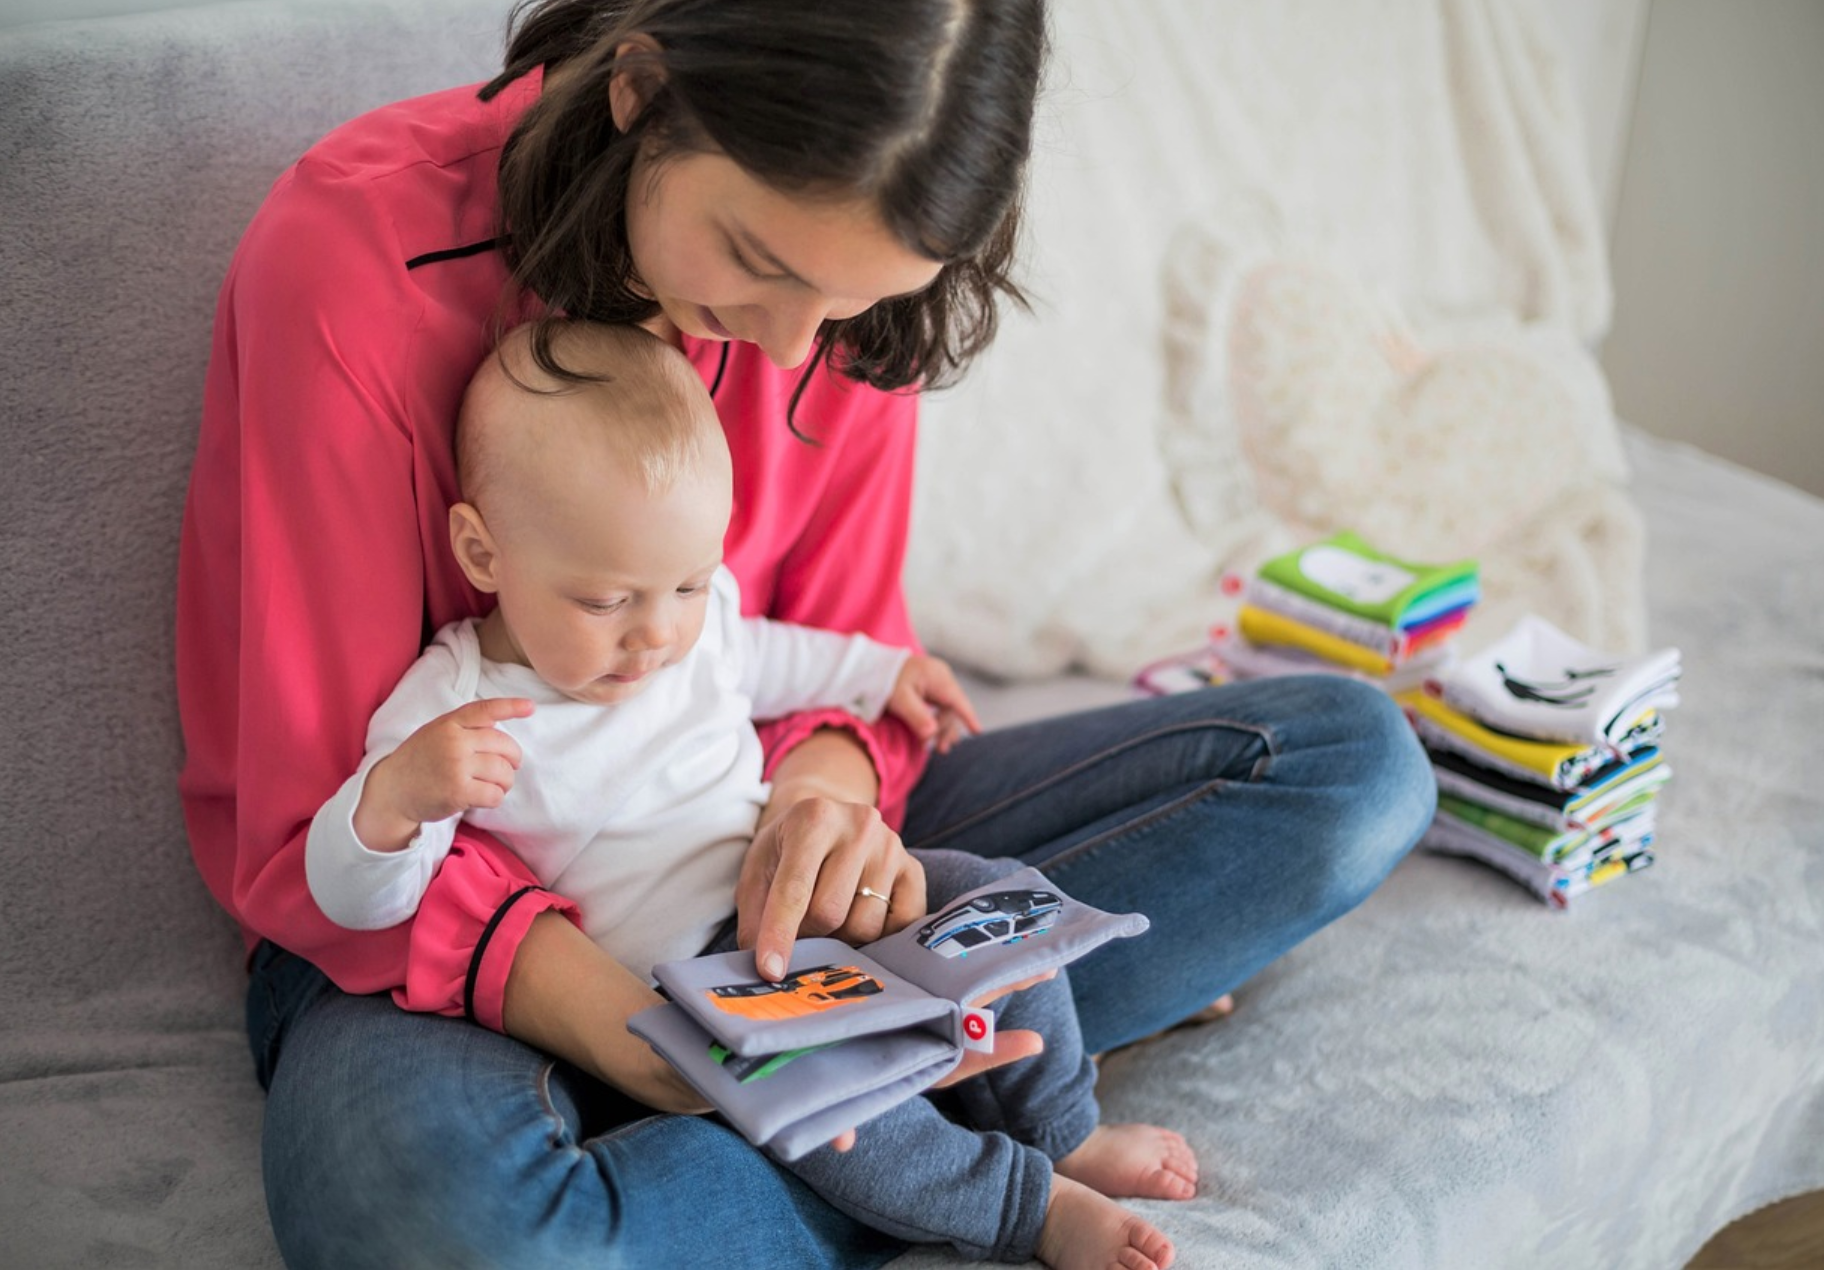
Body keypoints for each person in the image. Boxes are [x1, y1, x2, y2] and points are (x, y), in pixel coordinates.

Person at [175, 1, 1437, 1266]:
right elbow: (324, 820)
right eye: (759, 260)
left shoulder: (838, 306)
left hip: (752, 874)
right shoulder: (349, 262)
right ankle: (924, 1125)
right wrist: (637, 1032)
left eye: (853, 299)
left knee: (1353, 769)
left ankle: (866, 1104)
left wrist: (824, 807)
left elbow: (837, 653)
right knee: (457, 1238)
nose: (794, 347)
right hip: (424, 934)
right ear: (641, 89)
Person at [303, 318, 1197, 1265]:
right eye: (605, 602)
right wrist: (397, 799)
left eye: (688, 586)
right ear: (484, 555)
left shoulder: (692, 619)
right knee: (833, 1107)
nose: (656, 637)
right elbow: (356, 901)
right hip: (706, 978)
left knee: (998, 896)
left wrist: (879, 671)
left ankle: (1064, 1128)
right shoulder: (457, 700)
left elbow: (770, 655)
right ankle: (1025, 1206)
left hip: (802, 888)